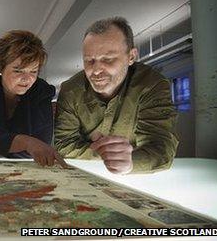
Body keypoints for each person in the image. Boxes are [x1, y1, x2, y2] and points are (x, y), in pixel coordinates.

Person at [54, 17, 178, 174]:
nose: (96, 70)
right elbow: (63, 146)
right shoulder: (71, 90)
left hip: (137, 179)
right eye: (89, 60)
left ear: (131, 57)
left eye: (108, 59)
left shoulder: (152, 84)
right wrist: (106, 153)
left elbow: (161, 147)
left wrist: (131, 162)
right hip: (87, 174)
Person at [0, 30, 67, 168]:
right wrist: (26, 142)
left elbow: (42, 143)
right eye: (18, 70)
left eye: (33, 71)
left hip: (27, 169)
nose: (27, 79)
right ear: (0, 67)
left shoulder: (42, 91)